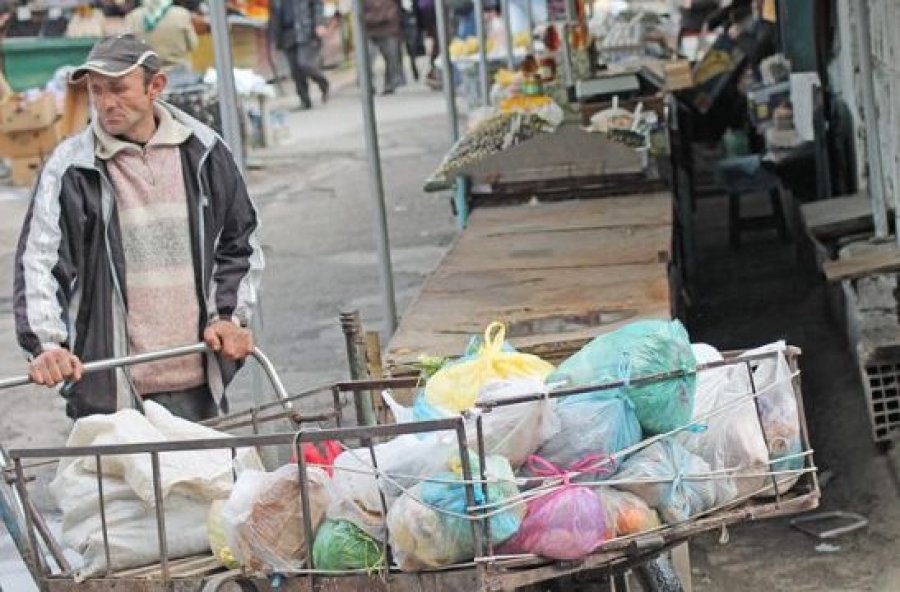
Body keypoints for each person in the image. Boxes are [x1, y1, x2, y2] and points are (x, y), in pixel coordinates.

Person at [13, 35, 264, 422]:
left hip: (198, 378)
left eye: (118, 89)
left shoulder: (205, 153)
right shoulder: (72, 167)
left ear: (155, 86)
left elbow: (238, 243)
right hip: (110, 390)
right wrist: (47, 345)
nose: (106, 103)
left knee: (205, 481)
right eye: (97, 91)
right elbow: (41, 261)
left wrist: (229, 317)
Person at [269, 0, 330, 110]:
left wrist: (319, 23)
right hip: (286, 34)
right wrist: (274, 37)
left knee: (304, 63)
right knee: (295, 70)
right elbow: (273, 15)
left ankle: (323, 82)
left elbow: (317, 4)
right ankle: (305, 100)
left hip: (305, 30)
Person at [125, 0, 199, 72]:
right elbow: (193, 44)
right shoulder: (182, 14)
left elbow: (127, 48)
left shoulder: (133, 16)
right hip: (179, 72)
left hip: (147, 74)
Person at [364, 0, 403, 95]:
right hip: (369, 31)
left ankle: (390, 84)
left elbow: (394, 10)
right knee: (367, 58)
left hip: (388, 30)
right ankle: (368, 85)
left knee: (391, 58)